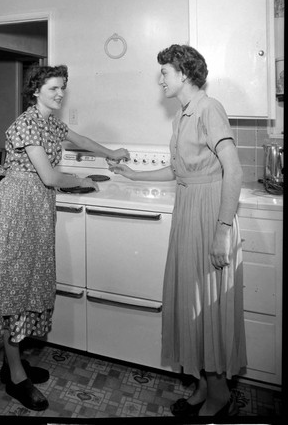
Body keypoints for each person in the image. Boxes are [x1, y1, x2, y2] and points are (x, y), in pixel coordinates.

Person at [0, 64, 130, 411]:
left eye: (62, 89)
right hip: (17, 208)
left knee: (29, 281)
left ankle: (11, 362)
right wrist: (83, 180)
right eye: (53, 88)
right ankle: (15, 377)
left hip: (37, 208)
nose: (59, 94)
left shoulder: (51, 123)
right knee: (13, 285)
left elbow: (80, 140)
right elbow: (49, 175)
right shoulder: (26, 123)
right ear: (36, 91)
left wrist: (110, 153)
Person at [109, 44, 246, 417]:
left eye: (165, 72)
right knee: (191, 300)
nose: (160, 79)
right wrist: (133, 173)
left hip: (209, 213)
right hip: (189, 209)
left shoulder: (208, 108)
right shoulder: (183, 115)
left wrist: (221, 232)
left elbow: (233, 171)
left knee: (209, 303)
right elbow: (178, 169)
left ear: (183, 73)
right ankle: (203, 385)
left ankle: (219, 394)